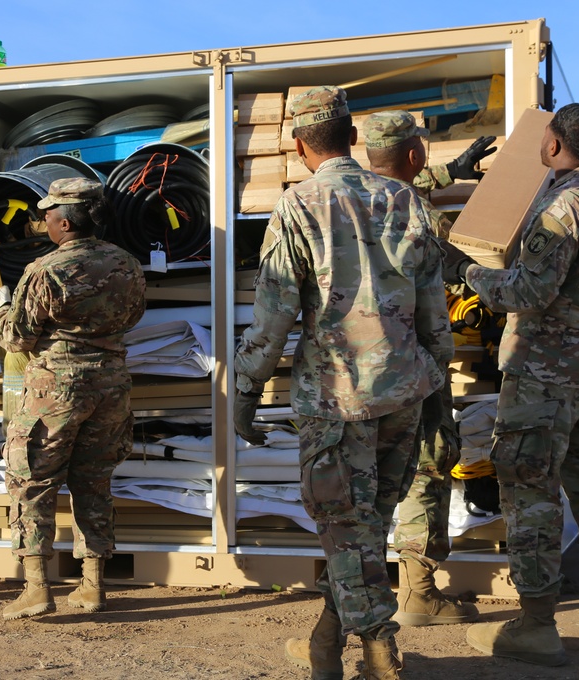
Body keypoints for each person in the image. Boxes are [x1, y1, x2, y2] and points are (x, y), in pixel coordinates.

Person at [233, 87, 453, 680]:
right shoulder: (409, 203)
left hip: (339, 399)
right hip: (405, 395)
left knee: (346, 532)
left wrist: (246, 392)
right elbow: (436, 314)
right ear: (354, 137)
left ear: (300, 144)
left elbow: (273, 315)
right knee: (363, 532)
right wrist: (440, 401)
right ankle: (326, 646)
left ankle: (381, 653)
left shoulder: (299, 205)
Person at [440, 103, 579, 666]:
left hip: (544, 375)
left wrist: (462, 271)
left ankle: (536, 625)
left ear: (556, 146)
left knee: (531, 492)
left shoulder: (562, 208)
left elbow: (526, 294)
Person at [0, 177, 146, 621]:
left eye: (47, 215)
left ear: (63, 220)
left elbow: (16, 339)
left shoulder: (45, 271)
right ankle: (92, 586)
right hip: (111, 385)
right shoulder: (128, 264)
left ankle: (37, 587)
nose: (43, 221)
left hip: (55, 388)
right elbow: (132, 316)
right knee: (93, 480)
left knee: (32, 481)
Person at [364, 110, 494, 627]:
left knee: (363, 482)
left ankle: (356, 597)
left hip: (353, 370)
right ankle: (418, 593)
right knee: (425, 469)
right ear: (416, 154)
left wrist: (449, 171)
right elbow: (447, 279)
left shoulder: (342, 204)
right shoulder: (420, 214)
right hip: (414, 366)